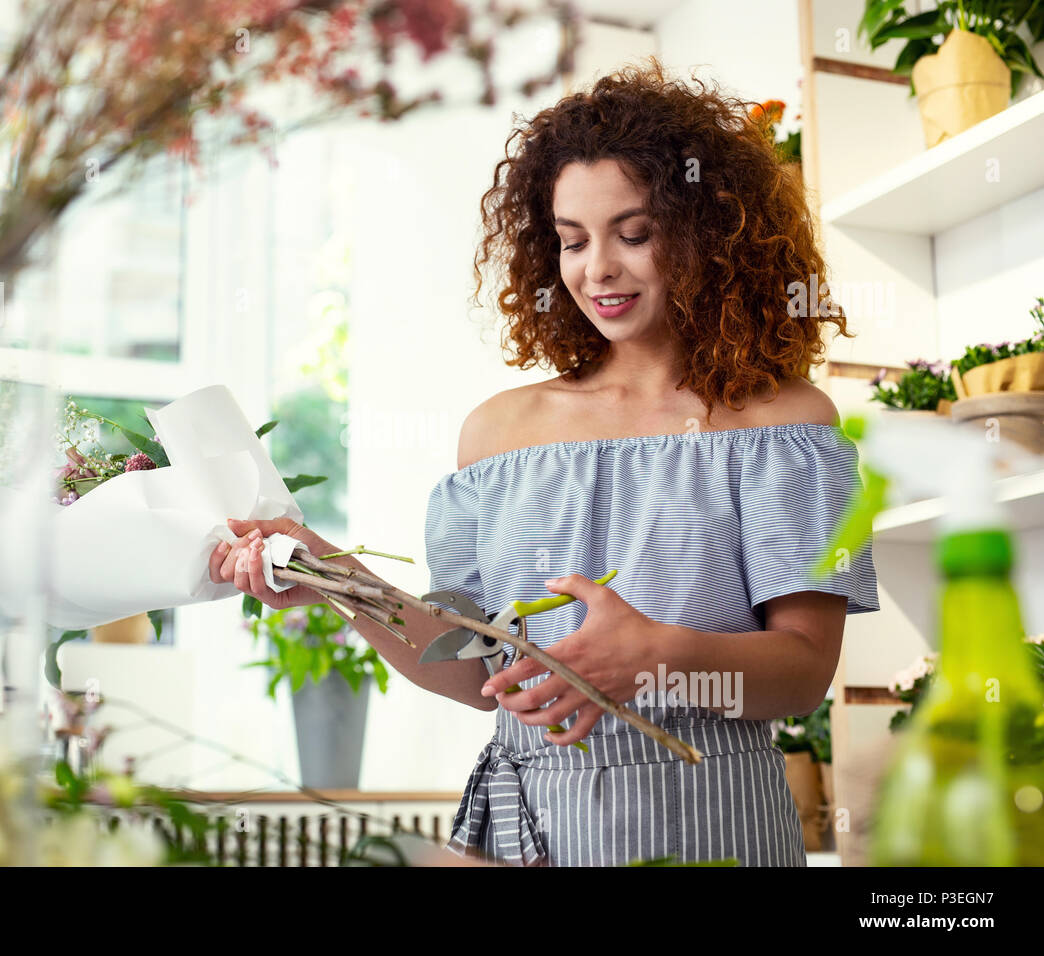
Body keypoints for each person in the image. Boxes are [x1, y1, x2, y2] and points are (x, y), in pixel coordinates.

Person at [212, 57, 880, 867]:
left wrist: (656, 657)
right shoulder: (498, 437)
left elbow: (804, 673)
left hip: (715, 821)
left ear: (704, 232)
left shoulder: (786, 426)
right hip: (534, 826)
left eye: (634, 234)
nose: (597, 269)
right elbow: (469, 669)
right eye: (572, 241)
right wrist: (326, 572)